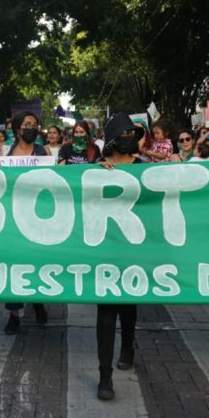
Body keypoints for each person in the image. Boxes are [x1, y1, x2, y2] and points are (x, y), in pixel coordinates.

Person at [92, 112, 144, 400]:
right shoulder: (95, 168)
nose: (129, 139)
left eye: (131, 134)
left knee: (129, 302)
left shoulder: (145, 168)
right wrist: (93, 174)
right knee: (107, 308)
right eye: (123, 134)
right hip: (105, 248)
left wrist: (179, 167)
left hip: (135, 249)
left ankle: (127, 346)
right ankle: (105, 376)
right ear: (111, 139)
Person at [3, 111, 49, 334]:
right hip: (11, 216)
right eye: (27, 124)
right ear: (18, 129)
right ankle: (14, 315)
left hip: (37, 216)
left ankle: (37, 300)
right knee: (14, 264)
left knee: (36, 262)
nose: (31, 127)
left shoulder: (43, 152)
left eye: (34, 124)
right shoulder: (5, 153)